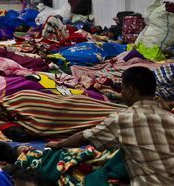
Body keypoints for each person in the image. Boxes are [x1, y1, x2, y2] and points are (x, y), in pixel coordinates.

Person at [46, 66, 174, 185]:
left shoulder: (123, 118)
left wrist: (58, 144)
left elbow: (84, 136)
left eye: (122, 89)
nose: (122, 93)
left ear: (130, 90)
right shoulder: (170, 117)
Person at [0, 89, 124, 140]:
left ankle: (124, 110)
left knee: (103, 108)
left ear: (0, 103)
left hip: (67, 103)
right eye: (1, 116)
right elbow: (39, 127)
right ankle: (126, 113)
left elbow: (41, 100)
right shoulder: (12, 120)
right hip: (64, 118)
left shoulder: (17, 98)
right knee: (104, 117)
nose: (5, 114)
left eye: (2, 110)